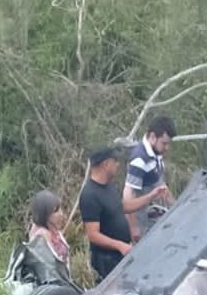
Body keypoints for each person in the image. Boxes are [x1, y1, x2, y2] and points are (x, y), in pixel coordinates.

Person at [80, 145, 168, 280]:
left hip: (122, 254)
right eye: (115, 161)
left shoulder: (109, 186)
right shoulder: (90, 195)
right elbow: (93, 235)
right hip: (107, 261)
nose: (118, 165)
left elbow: (123, 207)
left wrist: (151, 196)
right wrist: (119, 245)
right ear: (106, 164)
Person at [123, 115, 176, 241]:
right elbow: (127, 195)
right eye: (164, 143)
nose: (166, 148)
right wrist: (134, 227)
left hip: (151, 214)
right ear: (152, 137)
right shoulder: (139, 160)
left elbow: (161, 185)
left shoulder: (155, 153)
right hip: (139, 221)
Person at [28, 189, 71, 274]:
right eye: (55, 211)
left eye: (60, 209)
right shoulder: (41, 236)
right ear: (44, 214)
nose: (61, 214)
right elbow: (47, 270)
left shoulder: (54, 230)